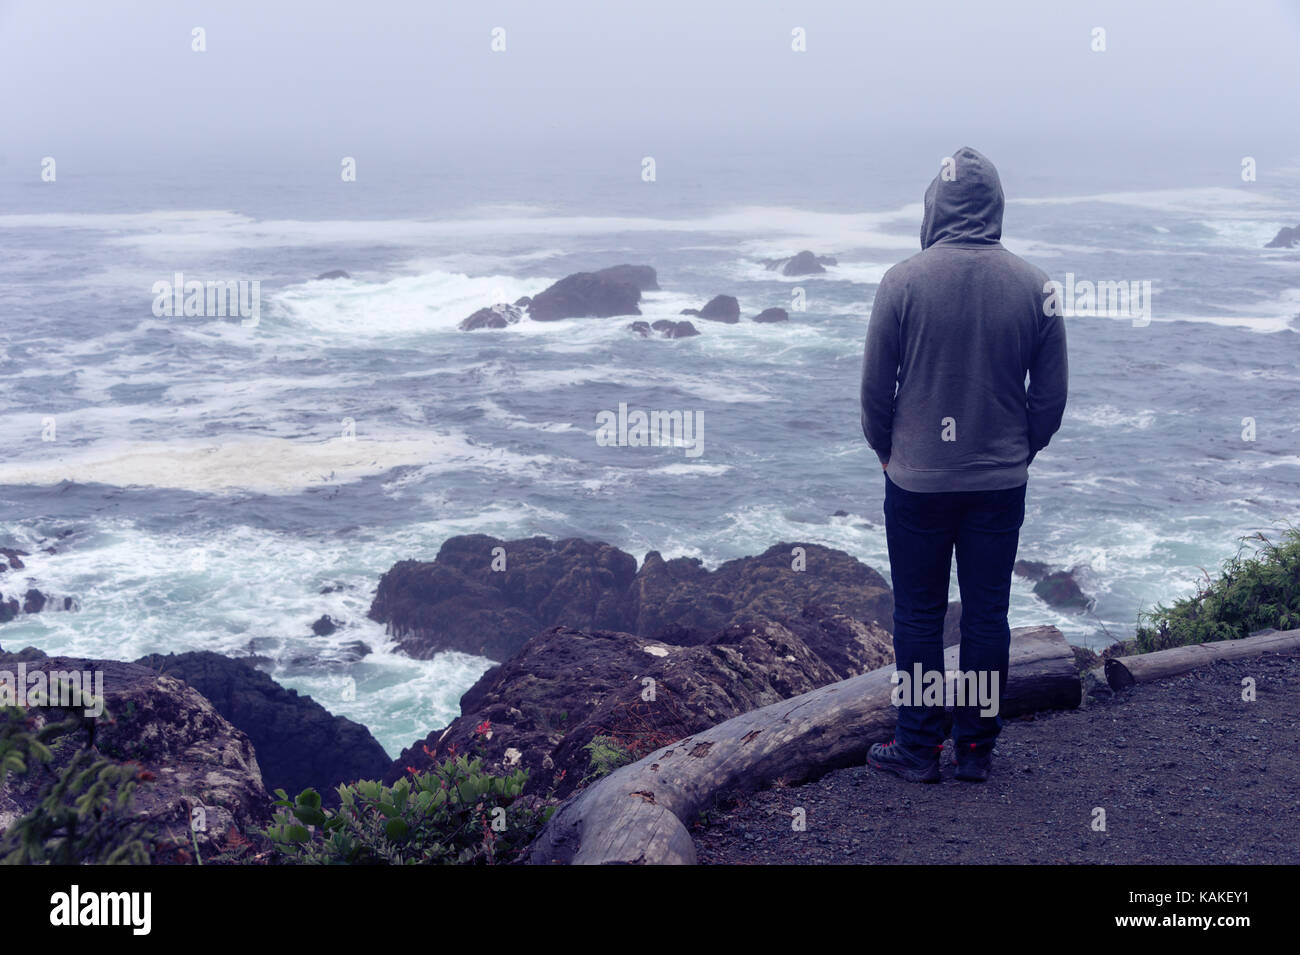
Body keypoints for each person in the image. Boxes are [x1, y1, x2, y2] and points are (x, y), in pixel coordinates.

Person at [860, 146, 1068, 783]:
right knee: (987, 614)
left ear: (935, 206)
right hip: (999, 481)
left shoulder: (902, 281)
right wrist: (1020, 449)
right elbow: (1050, 397)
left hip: (917, 480)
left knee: (918, 616)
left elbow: (875, 390)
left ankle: (918, 749)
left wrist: (889, 452)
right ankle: (975, 750)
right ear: (996, 207)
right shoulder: (1039, 287)